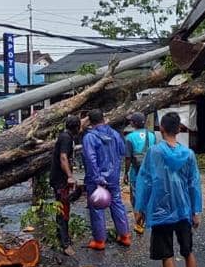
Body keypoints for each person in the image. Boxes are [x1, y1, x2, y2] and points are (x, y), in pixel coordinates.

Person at [134, 111, 205, 267]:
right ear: (180, 129)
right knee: (188, 252)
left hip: (160, 211)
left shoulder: (154, 152)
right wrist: (196, 211)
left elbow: (145, 180)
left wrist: (140, 209)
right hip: (184, 210)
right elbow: (194, 183)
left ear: (161, 129)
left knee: (167, 255)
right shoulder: (189, 154)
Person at [81, 109, 130, 250]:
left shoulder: (89, 137)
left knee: (96, 207)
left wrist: (96, 177)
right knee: (117, 203)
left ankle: (99, 240)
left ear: (90, 121)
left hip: (96, 178)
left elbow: (90, 159)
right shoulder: (115, 134)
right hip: (113, 177)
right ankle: (124, 235)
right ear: (104, 118)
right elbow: (122, 151)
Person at [50, 115, 83, 255]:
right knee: (64, 210)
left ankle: (61, 237)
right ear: (77, 127)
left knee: (61, 208)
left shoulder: (66, 135)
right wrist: (70, 176)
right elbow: (63, 157)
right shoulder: (66, 138)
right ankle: (65, 244)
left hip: (58, 177)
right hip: (60, 179)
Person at [124, 112, 157, 234]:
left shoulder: (129, 138)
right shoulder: (152, 135)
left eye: (131, 121)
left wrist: (125, 173)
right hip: (149, 172)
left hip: (136, 172)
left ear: (134, 123)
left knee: (136, 198)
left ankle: (139, 224)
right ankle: (147, 219)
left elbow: (128, 159)